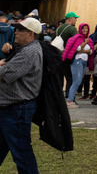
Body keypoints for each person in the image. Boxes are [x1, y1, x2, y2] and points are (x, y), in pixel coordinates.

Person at [0, 16, 44, 174]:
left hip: (17, 108)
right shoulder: (25, 49)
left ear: (30, 34)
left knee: (21, 152)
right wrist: (7, 52)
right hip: (11, 107)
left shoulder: (29, 53)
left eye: (20, 30)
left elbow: (3, 74)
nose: (15, 32)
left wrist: (2, 63)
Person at [62, 22, 93, 109]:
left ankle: (70, 100)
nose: (84, 30)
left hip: (84, 61)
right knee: (76, 81)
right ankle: (70, 100)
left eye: (86, 28)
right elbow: (77, 49)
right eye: (83, 28)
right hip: (77, 61)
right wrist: (84, 44)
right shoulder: (77, 38)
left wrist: (83, 50)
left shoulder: (88, 40)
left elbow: (91, 51)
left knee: (78, 81)